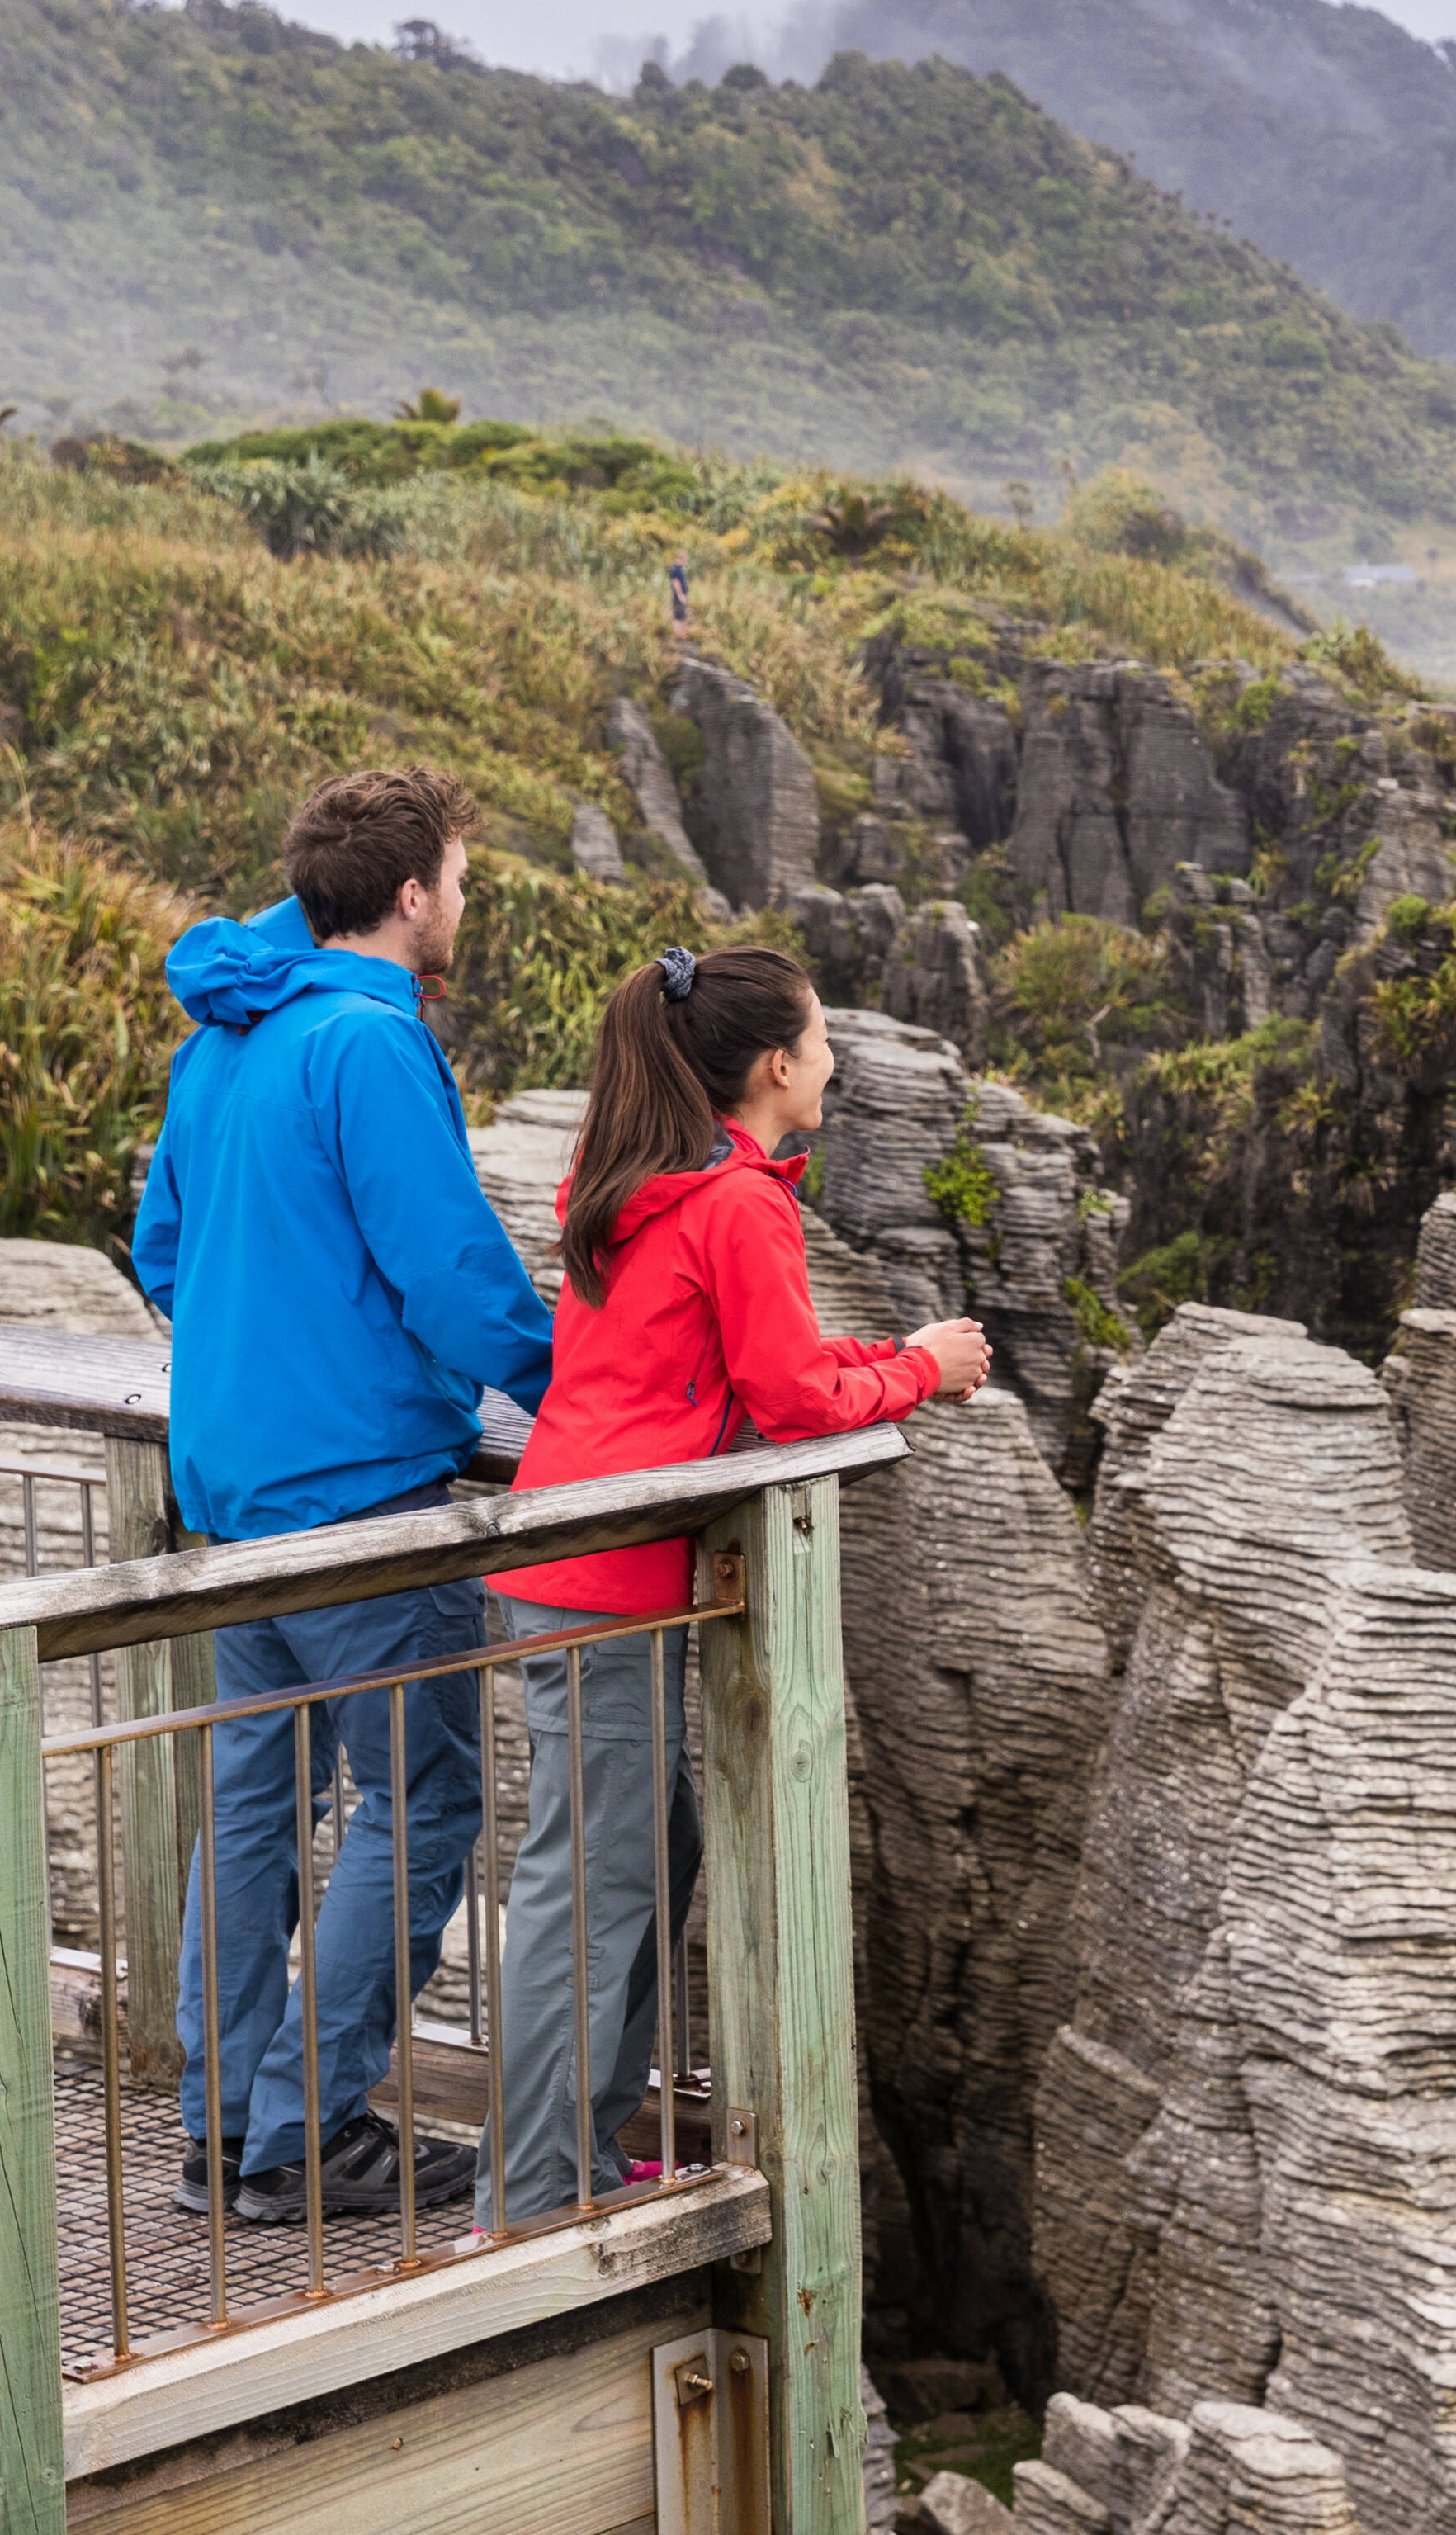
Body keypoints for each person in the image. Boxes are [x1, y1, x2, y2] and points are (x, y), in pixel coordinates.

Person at [478, 944, 986, 2227]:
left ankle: (580, 2151)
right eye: (821, 1043)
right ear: (773, 1066)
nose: (835, 1063)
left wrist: (894, 1354)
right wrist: (918, 1373)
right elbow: (798, 1401)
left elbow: (769, 1358)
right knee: (592, 1885)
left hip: (577, 1554)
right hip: (605, 1574)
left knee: (648, 1850)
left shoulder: (657, 1176)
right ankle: (536, 2195)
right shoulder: (738, 1199)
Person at [134, 766, 553, 2222]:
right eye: (461, 879)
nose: (465, 905)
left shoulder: (228, 1038)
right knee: (422, 1798)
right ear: (413, 895)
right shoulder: (369, 1042)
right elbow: (451, 1276)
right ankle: (314, 2133)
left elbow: (164, 1252)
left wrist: (266, 1354)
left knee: (256, 1806)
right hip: (363, 1497)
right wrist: (574, 1391)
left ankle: (221, 2129)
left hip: (236, 1491)